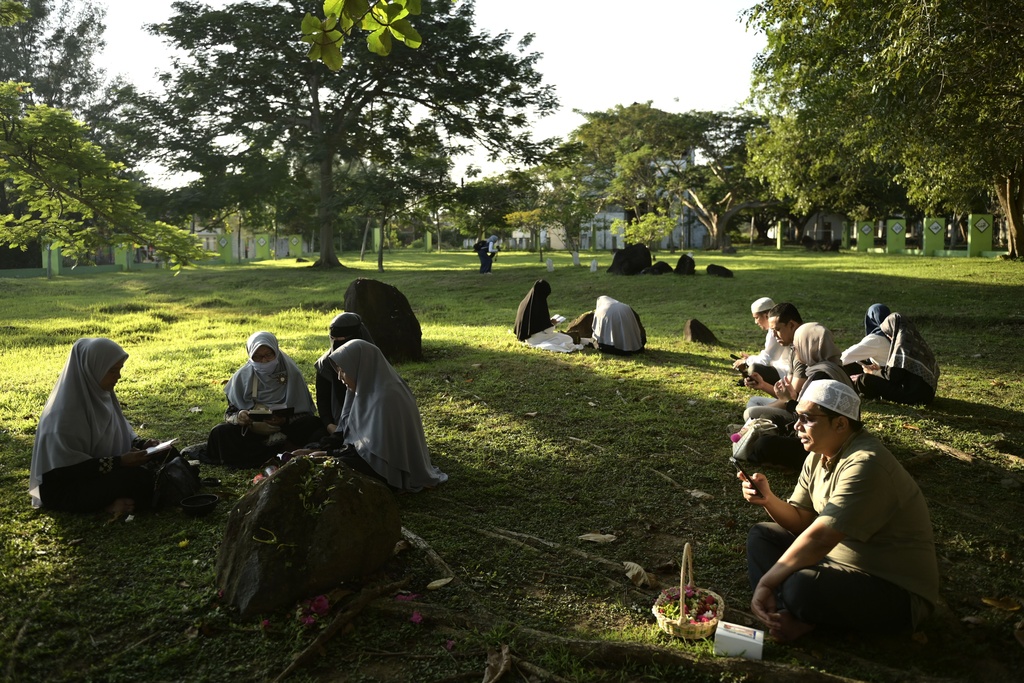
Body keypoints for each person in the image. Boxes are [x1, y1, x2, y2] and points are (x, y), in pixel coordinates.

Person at [738, 379, 939, 642]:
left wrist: (767, 582)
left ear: (840, 424)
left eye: (807, 418)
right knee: (763, 535)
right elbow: (800, 521)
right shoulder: (818, 455)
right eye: (797, 416)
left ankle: (798, 616)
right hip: (835, 563)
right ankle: (788, 615)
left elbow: (820, 538)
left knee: (801, 586)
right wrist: (769, 500)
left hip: (892, 588)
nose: (796, 426)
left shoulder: (866, 464)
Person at [29, 338, 172, 514]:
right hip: (68, 487)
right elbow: (67, 470)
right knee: (138, 479)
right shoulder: (62, 415)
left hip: (99, 472)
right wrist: (119, 461)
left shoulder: (101, 395)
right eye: (112, 371)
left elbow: (120, 432)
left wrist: (142, 445)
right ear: (92, 370)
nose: (118, 376)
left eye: (119, 370)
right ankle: (107, 506)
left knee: (168, 453)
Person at [303, 339, 447, 493]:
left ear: (360, 366)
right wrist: (322, 450)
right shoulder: (360, 390)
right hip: (368, 457)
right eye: (338, 370)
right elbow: (349, 435)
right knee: (313, 449)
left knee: (331, 468)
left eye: (343, 370)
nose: (339, 377)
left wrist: (329, 455)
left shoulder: (386, 397)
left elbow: (375, 453)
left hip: (387, 468)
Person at [742, 323, 856, 469]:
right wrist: (789, 398)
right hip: (820, 431)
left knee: (762, 445)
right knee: (770, 417)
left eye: (796, 346)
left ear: (809, 346)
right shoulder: (833, 368)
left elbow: (813, 418)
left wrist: (789, 400)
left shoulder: (822, 376)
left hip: (826, 442)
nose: (794, 350)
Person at [205, 331, 326, 468]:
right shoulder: (242, 378)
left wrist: (284, 420)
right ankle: (278, 454)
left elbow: (304, 411)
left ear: (276, 352)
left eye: (268, 355)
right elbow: (230, 413)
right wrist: (241, 417)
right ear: (250, 355)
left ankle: (289, 452)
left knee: (314, 424)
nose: (264, 361)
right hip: (253, 432)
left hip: (286, 430)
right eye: (257, 357)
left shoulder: (292, 373)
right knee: (220, 432)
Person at [851, 312, 939, 405]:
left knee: (864, 379)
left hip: (912, 396)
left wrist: (872, 372)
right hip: (927, 396)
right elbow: (903, 372)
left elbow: (893, 377)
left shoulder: (901, 346)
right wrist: (881, 369)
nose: (888, 336)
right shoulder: (919, 345)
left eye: (888, 333)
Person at [314, 312, 375, 434]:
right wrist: (330, 426)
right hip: (338, 425)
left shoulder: (374, 361)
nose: (337, 346)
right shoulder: (325, 364)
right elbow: (323, 400)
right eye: (334, 340)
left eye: (343, 341)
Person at [744, 302, 804, 401]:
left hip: (800, 410)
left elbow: (794, 400)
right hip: (792, 399)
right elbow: (790, 397)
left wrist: (746, 361)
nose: (775, 335)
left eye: (777, 330)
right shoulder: (793, 348)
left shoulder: (803, 353)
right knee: (753, 402)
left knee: (752, 411)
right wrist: (763, 385)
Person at [733, 297, 790, 387]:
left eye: (757, 318)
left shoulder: (775, 331)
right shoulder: (772, 331)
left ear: (766, 315)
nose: (756, 322)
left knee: (754, 369)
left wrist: (746, 361)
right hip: (782, 369)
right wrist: (750, 359)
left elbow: (766, 360)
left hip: (786, 373)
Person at [513, 279, 581, 353]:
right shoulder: (540, 305)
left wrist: (548, 322)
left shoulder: (523, 303)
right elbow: (547, 330)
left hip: (526, 337)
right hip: (538, 339)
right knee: (567, 339)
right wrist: (552, 324)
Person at [840, 303, 891, 376]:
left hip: (886, 377)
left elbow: (847, 356)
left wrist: (827, 362)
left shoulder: (877, 339)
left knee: (845, 366)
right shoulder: (894, 334)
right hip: (893, 374)